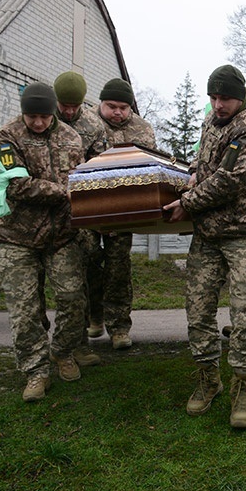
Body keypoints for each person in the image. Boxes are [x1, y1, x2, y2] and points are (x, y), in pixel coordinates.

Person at [164, 65, 246, 428]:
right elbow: (204, 160)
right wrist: (192, 173)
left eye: (224, 98)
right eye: (213, 97)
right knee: (198, 309)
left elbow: (229, 180)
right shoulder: (212, 121)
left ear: (239, 96)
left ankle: (243, 384)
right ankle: (208, 377)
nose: (217, 104)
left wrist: (188, 202)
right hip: (209, 233)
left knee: (245, 311)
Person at [0, 83, 86, 402]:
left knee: (73, 298)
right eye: (32, 117)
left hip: (61, 234)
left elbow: (82, 178)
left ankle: (62, 352)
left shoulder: (71, 137)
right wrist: (61, 192)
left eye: (44, 116)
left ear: (53, 111)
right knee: (25, 309)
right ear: (23, 112)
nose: (39, 123)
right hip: (17, 235)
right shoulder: (7, 137)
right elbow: (14, 184)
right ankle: (35, 371)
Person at [95, 78, 158, 351]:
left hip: (123, 211)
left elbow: (150, 163)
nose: (118, 113)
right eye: (111, 107)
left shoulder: (142, 128)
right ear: (101, 103)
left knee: (118, 269)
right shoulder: (87, 124)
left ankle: (119, 327)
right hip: (89, 209)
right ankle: (93, 313)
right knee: (87, 262)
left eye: (123, 108)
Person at [52, 72, 110, 363]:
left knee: (85, 272)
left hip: (79, 211)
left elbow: (102, 165)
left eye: (74, 106)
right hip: (44, 212)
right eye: (64, 105)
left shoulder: (92, 124)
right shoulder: (40, 117)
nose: (69, 111)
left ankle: (80, 339)